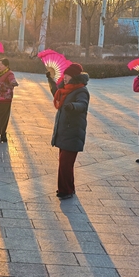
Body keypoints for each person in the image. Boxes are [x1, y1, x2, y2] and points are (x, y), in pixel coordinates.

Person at [45, 63, 90, 200]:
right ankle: (69, 188)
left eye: (67, 76)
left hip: (73, 131)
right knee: (65, 163)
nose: (65, 78)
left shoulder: (81, 91)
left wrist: (72, 106)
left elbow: (83, 104)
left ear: (74, 76)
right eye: (64, 75)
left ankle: (65, 190)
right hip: (64, 131)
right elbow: (56, 92)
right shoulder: (65, 90)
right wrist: (50, 79)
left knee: (65, 163)